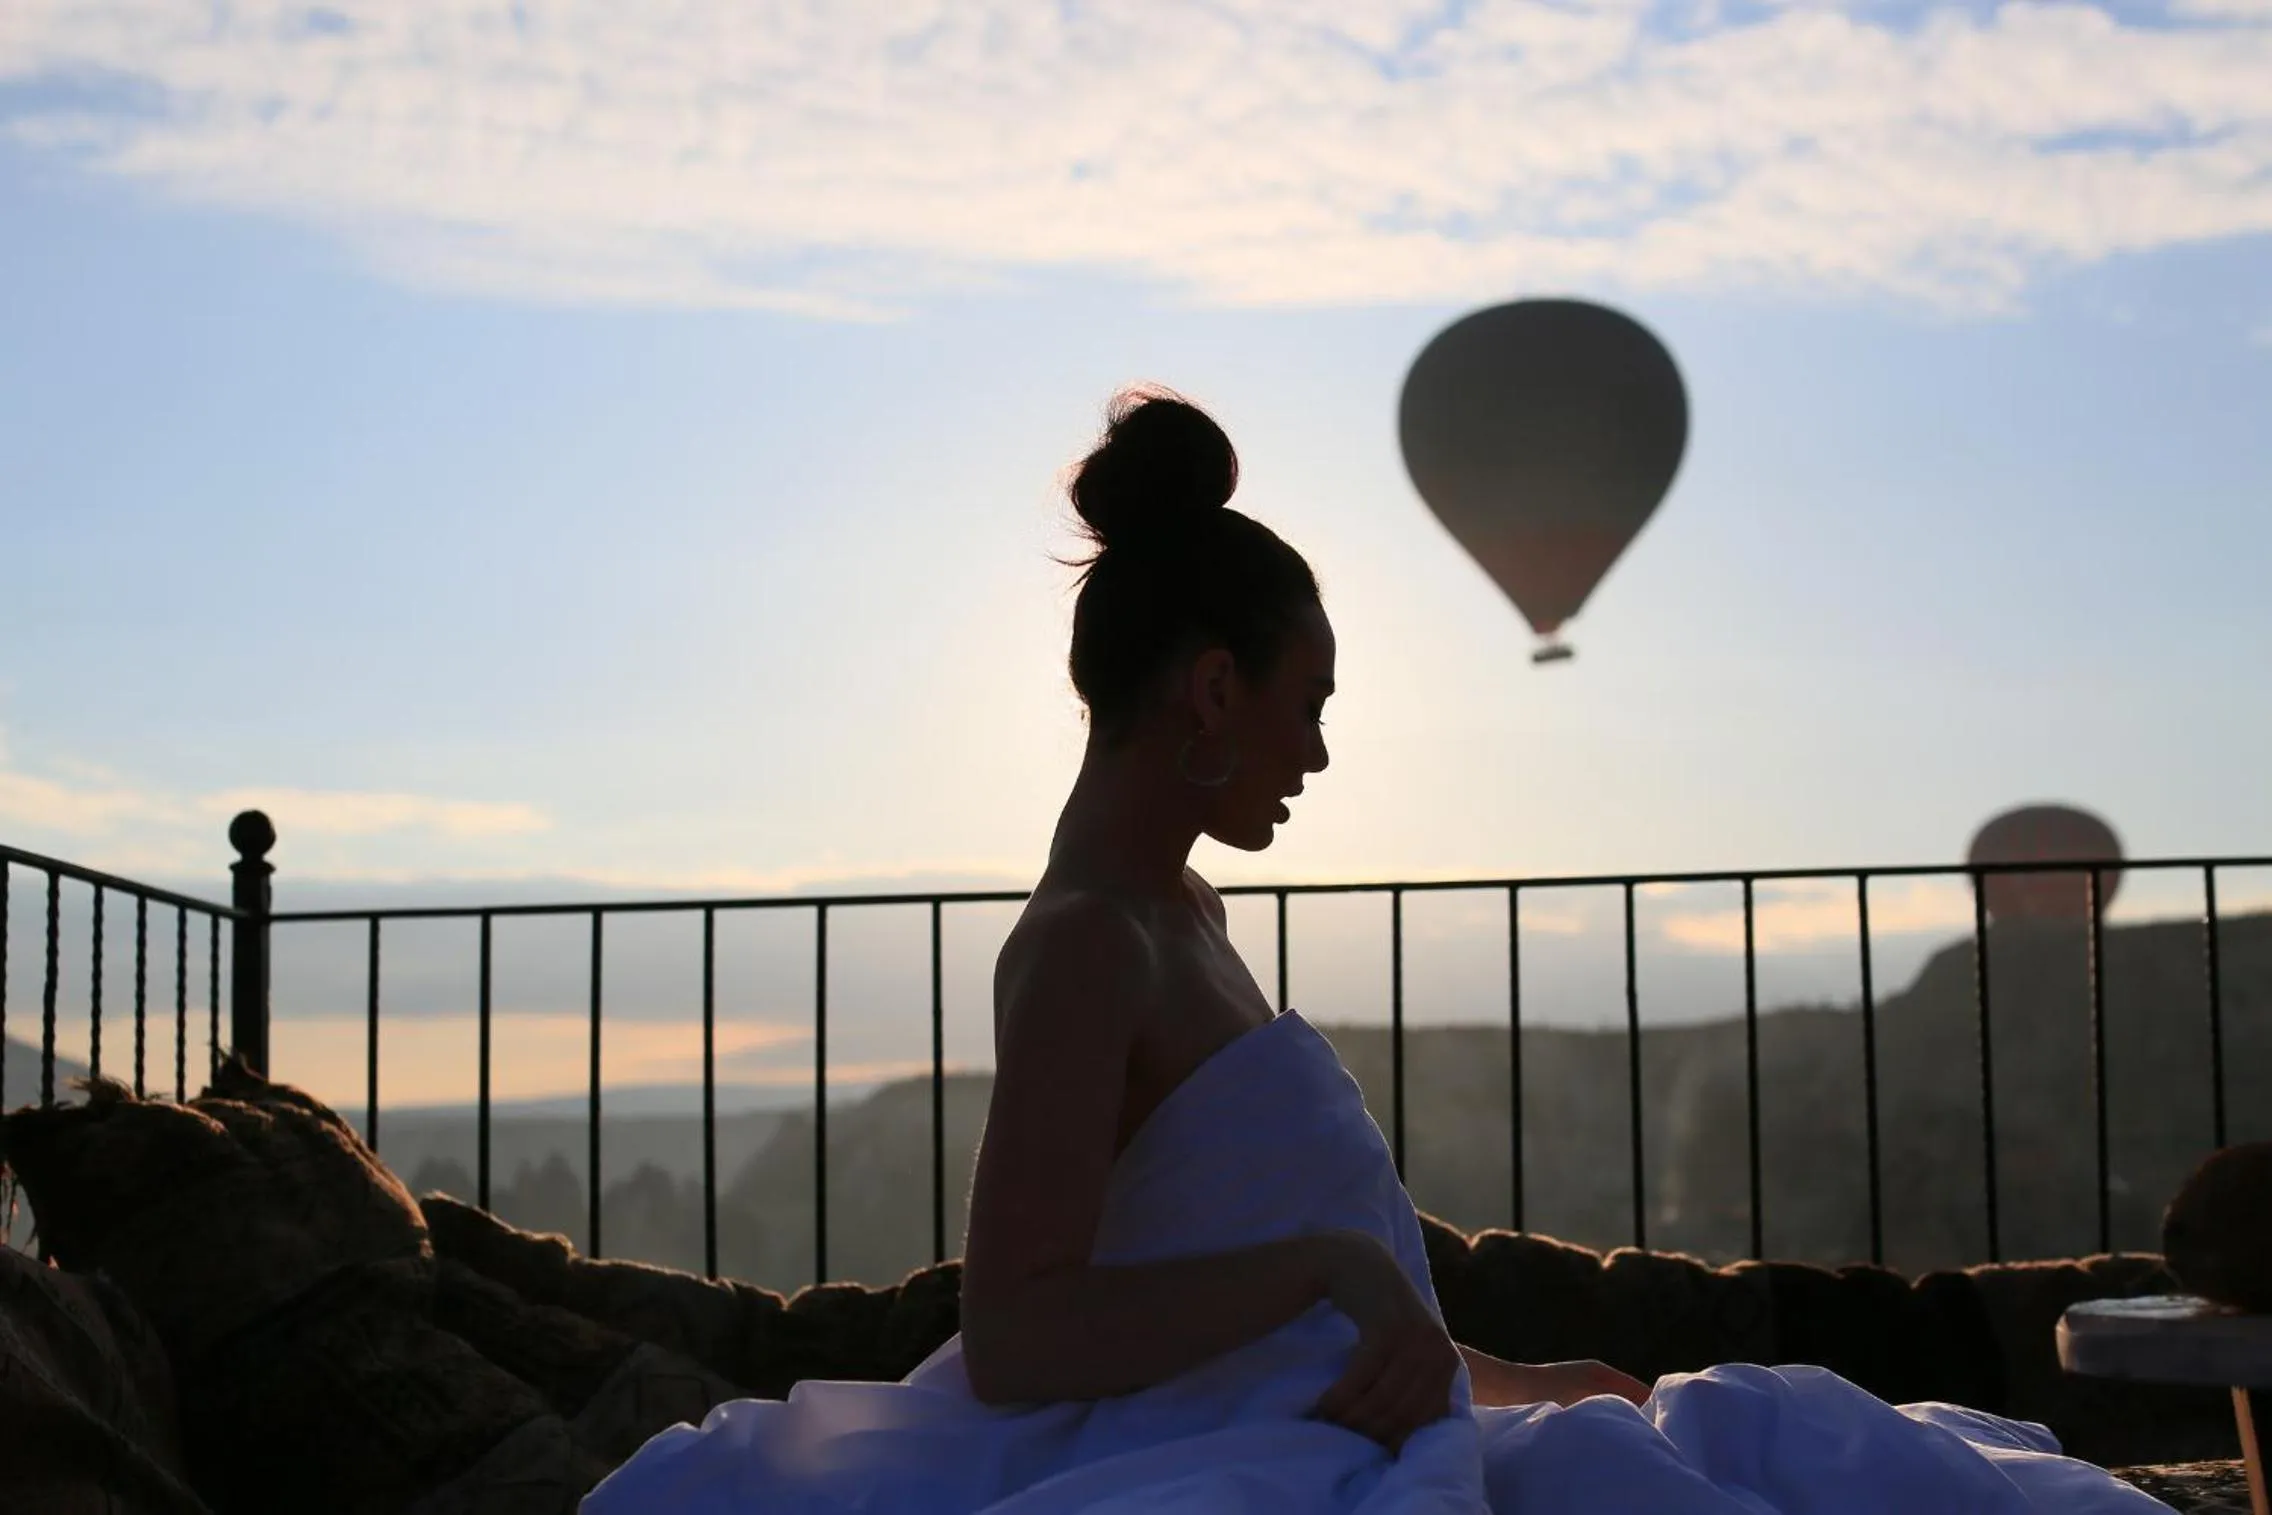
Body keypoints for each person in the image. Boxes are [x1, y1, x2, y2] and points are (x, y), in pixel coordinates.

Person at [582, 390, 2169, 1514]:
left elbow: (1328, 1310)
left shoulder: (1184, 920)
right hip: (1233, 1461)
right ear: (1212, 689)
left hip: (1321, 1418)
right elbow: (1018, 1334)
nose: (1320, 753)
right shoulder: (1083, 948)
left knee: (1725, 1426)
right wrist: (1337, 1267)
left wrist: (1516, 1370)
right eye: (1310, 702)